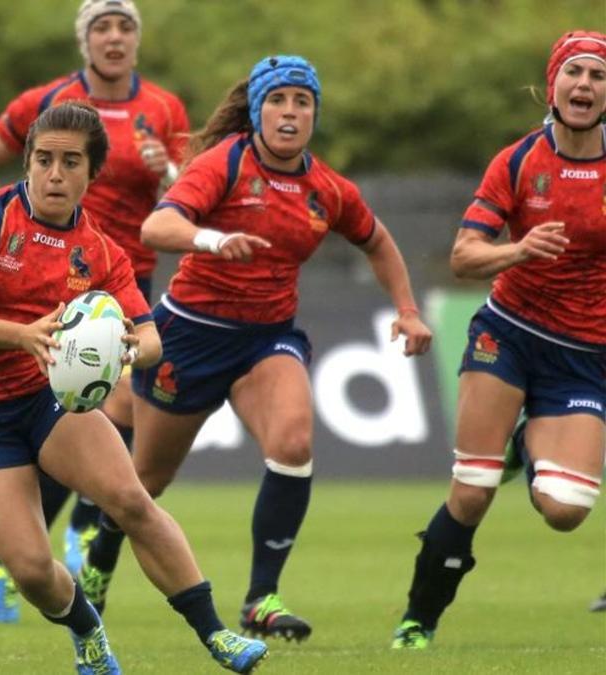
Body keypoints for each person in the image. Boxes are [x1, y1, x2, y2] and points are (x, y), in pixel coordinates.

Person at [78, 54, 433, 643]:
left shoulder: (326, 188)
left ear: (314, 115)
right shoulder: (224, 163)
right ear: (258, 110)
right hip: (189, 336)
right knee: (145, 483)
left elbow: (377, 241)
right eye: (278, 101)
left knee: (293, 444)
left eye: (303, 103)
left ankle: (261, 598)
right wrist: (214, 239)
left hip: (267, 339)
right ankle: (98, 564)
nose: (290, 113)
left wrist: (408, 310)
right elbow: (156, 229)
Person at [0, 101, 267, 674]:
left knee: (132, 499)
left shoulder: (100, 251)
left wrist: (132, 348)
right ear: (28, 163)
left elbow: (150, 335)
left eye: (69, 162)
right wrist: (22, 336)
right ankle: (87, 628)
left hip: (50, 401)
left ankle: (217, 634)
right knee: (32, 569)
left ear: (92, 174)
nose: (54, 174)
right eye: (43, 160)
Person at [0, 0, 189, 622]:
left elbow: (187, 197)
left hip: (122, 275)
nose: (114, 37)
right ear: (83, 40)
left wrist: (162, 172)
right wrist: (12, 232)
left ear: (138, 41)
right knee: (106, 404)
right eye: (101, 27)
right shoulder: (49, 102)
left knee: (112, 408)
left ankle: (57, 532)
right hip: (51, 287)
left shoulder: (164, 109)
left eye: (125, 27)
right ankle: (73, 533)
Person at [391, 30, 605, 650]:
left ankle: (523, 443)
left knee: (565, 510)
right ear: (553, 83)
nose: (585, 85)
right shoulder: (518, 162)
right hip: (507, 335)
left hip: (583, 358)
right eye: (575, 73)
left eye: (597, 75)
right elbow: (464, 257)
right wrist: (519, 249)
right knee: (472, 489)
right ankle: (417, 622)